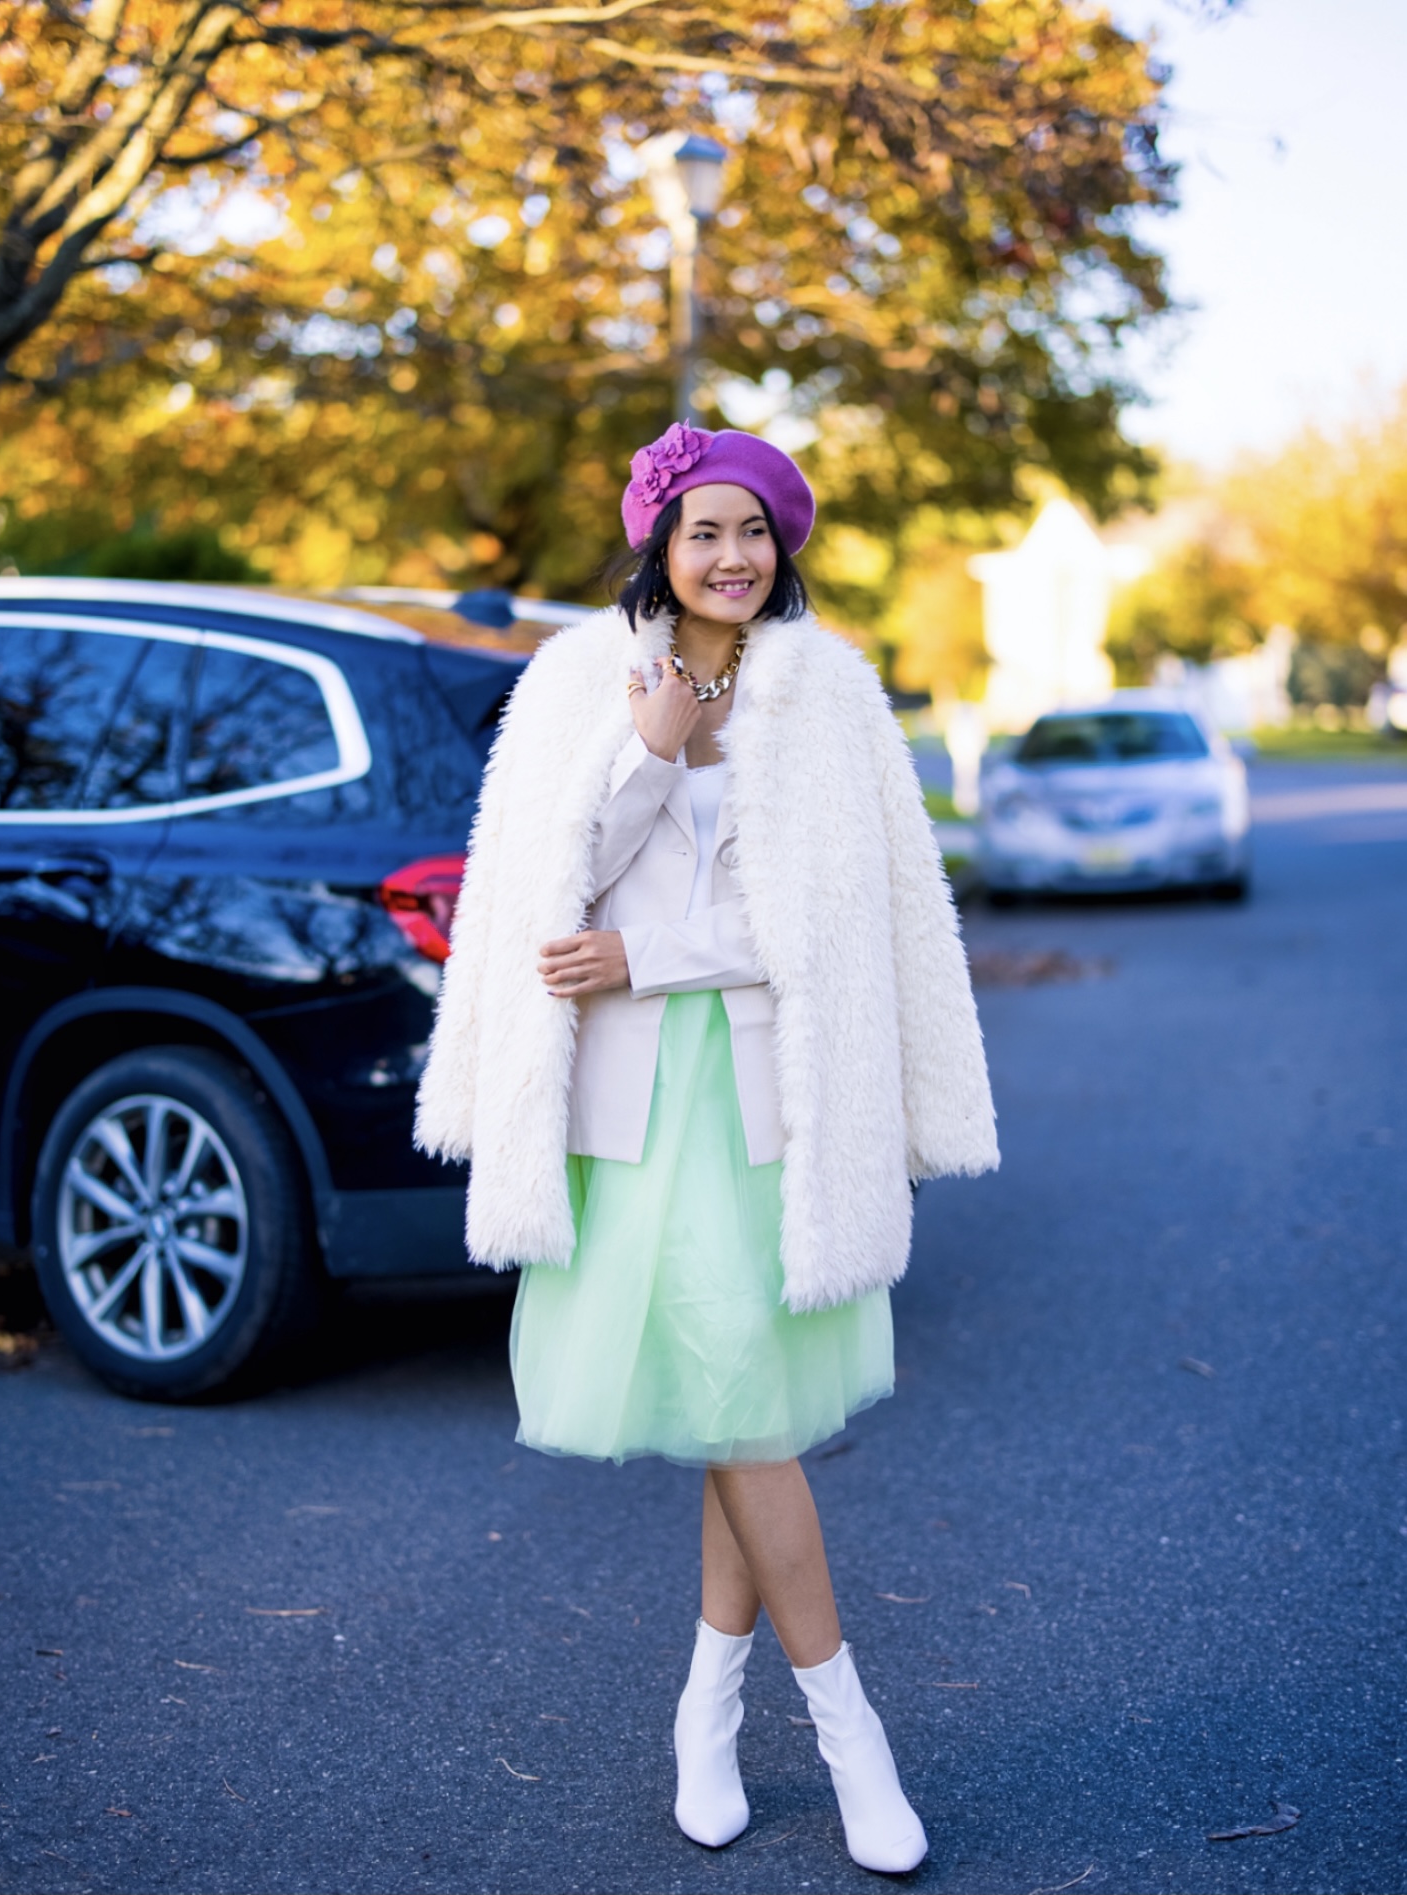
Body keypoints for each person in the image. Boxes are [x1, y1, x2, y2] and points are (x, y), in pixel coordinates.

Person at [416, 423, 997, 1874]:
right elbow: (557, 898)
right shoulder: (578, 686)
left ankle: (708, 1714)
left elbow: (836, 925)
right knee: (746, 1408)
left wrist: (652, 956)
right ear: (658, 546)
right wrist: (646, 754)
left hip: (773, 1100)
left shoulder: (831, 697)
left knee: (748, 1410)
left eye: (755, 530)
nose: (732, 557)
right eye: (703, 532)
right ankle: (848, 1735)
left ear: (780, 545)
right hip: (632, 1110)